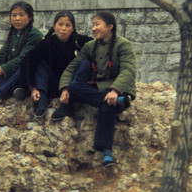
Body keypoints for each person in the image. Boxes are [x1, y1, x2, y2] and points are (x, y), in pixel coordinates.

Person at [51, 10, 137, 166]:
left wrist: (115, 90)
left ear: (110, 26)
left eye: (97, 24)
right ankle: (118, 102)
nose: (93, 28)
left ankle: (106, 152)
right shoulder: (90, 46)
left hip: (118, 90)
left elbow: (128, 70)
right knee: (75, 85)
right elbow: (72, 68)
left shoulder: (123, 45)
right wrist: (64, 89)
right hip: (99, 90)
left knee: (107, 106)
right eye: (93, 25)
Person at [19, 11, 92, 117]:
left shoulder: (82, 42)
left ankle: (67, 103)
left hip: (72, 84)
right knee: (40, 61)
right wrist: (33, 87)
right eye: (60, 24)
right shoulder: (47, 42)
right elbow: (27, 61)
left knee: (84, 63)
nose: (63, 28)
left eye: (68, 25)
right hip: (52, 85)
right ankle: (42, 98)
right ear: (54, 26)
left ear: (72, 28)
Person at [0, 1, 43, 110]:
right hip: (12, 77)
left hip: (27, 76)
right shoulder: (13, 34)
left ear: (29, 17)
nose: (17, 18)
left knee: (24, 68)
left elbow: (22, 59)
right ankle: (14, 90)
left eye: (21, 15)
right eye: (14, 15)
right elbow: (0, 58)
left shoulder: (35, 35)